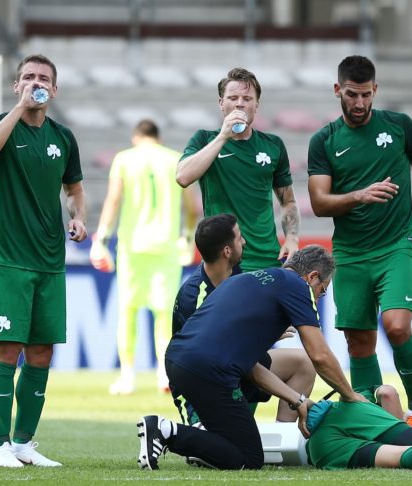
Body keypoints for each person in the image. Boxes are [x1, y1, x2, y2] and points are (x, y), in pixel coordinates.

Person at [137, 245, 368, 470]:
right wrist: (350, 395)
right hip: (209, 369)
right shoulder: (297, 286)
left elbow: (251, 368)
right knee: (249, 458)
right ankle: (167, 431)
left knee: (299, 366)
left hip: (180, 361)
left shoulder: (246, 280)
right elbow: (320, 355)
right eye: (322, 291)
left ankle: (266, 439)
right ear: (312, 277)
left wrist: (297, 400)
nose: (318, 298)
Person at [307, 55, 412, 433]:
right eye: (352, 94)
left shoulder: (399, 126)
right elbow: (319, 203)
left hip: (396, 245)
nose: (360, 102)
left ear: (375, 90)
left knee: (397, 327)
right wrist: (359, 195)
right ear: (338, 90)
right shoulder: (324, 140)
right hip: (351, 253)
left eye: (366, 94)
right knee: (358, 341)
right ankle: (376, 423)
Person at [0, 54, 87, 468]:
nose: (35, 83)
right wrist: (19, 108)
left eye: (43, 78)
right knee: (8, 349)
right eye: (27, 77)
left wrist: (78, 217)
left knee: (41, 353)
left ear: (54, 89)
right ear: (16, 85)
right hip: (9, 258)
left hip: (50, 260)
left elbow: (74, 189)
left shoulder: (63, 137)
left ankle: (23, 443)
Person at [171, 213, 316, 426]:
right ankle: (170, 431)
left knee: (303, 364)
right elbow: (226, 357)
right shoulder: (194, 297)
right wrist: (297, 398)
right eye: (239, 238)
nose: (245, 242)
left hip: (232, 368)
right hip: (199, 384)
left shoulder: (234, 272)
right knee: (221, 446)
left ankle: (284, 435)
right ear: (227, 251)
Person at [89, 119, 198, 395]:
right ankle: (164, 374)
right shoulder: (175, 159)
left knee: (128, 310)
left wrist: (101, 240)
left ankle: (127, 376)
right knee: (165, 313)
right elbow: (192, 208)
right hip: (166, 245)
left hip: (132, 245)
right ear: (158, 138)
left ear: (136, 138)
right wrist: (187, 238)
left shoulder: (125, 159)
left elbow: (113, 200)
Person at [176, 67, 299, 272]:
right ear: (221, 103)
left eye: (247, 98)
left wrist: (292, 238)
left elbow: (288, 201)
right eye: (233, 98)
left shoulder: (273, 145)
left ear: (256, 105)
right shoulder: (204, 139)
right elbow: (182, 177)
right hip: (223, 263)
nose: (240, 103)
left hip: (266, 259)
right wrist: (223, 137)